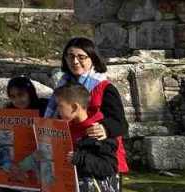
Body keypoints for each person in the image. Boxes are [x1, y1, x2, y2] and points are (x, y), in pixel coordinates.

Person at [45, 38, 128, 175]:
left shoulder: (104, 88)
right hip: (69, 157)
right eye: (70, 57)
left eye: (81, 57)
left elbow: (121, 124)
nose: (75, 61)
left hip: (100, 158)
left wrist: (105, 127)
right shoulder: (62, 87)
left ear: (93, 58)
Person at [52, 83, 120, 192]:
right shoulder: (65, 128)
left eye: (60, 105)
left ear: (74, 107)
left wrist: (80, 159)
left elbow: (109, 167)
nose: (57, 110)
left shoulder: (99, 132)